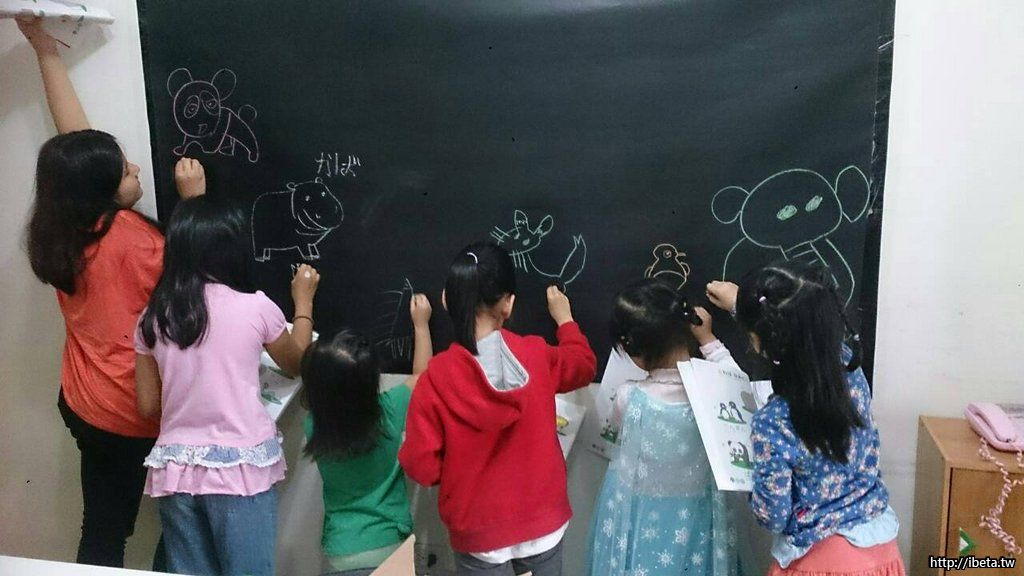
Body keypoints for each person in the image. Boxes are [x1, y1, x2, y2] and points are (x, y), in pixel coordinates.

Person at [17, 16, 204, 567]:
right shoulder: (132, 241)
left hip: (85, 404)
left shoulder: (61, 226)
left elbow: (75, 145)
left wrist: (45, 50)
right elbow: (197, 276)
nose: (136, 169)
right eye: (125, 171)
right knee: (186, 522)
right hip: (137, 410)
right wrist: (193, 202)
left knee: (102, 528)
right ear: (102, 187)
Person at [399, 242, 597, 575]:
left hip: (479, 536)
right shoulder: (537, 355)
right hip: (543, 525)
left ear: (447, 300)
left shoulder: (435, 379)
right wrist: (565, 320)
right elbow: (584, 364)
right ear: (508, 304)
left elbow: (423, 468)